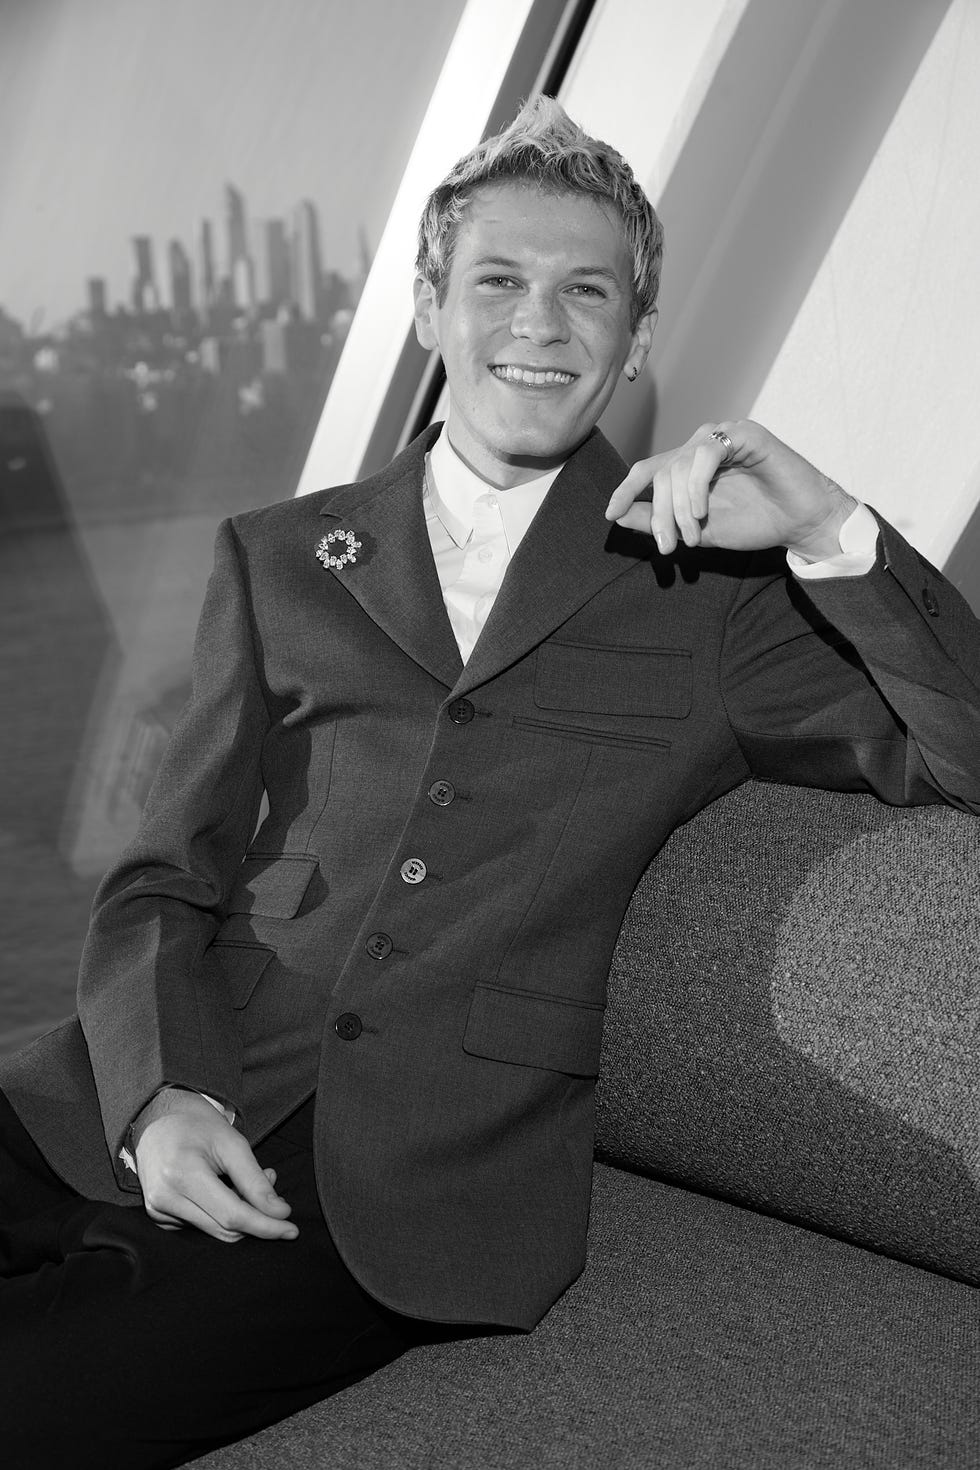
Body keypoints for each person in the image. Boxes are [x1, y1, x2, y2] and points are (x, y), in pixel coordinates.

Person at [2, 97, 979, 1469]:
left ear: (636, 342)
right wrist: (160, 1096)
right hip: (132, 1082)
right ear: (428, 305)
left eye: (588, 292)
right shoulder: (282, 555)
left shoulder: (711, 599)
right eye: (499, 281)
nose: (540, 322)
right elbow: (168, 866)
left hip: (402, 1182)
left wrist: (831, 525)